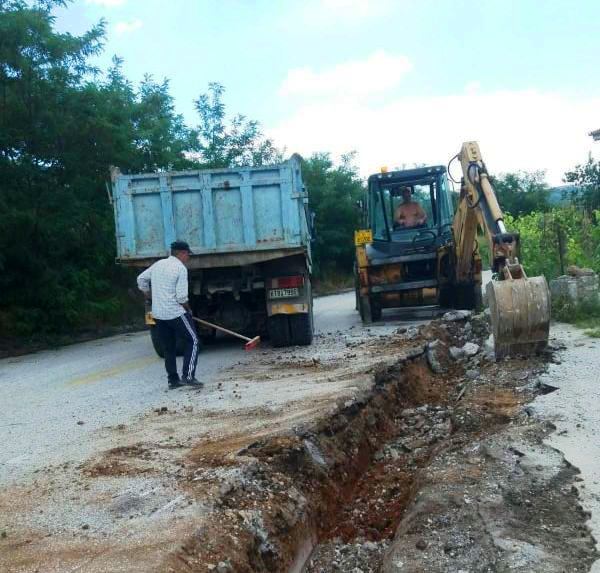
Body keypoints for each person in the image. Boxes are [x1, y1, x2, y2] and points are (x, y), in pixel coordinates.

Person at [137, 241, 201, 389]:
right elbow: (181, 297)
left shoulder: (158, 264)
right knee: (193, 341)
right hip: (175, 312)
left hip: (158, 314)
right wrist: (188, 310)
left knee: (168, 347)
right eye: (188, 255)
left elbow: (141, 279)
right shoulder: (180, 268)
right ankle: (189, 376)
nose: (188, 258)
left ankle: (173, 380)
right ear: (182, 253)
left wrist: (148, 295)